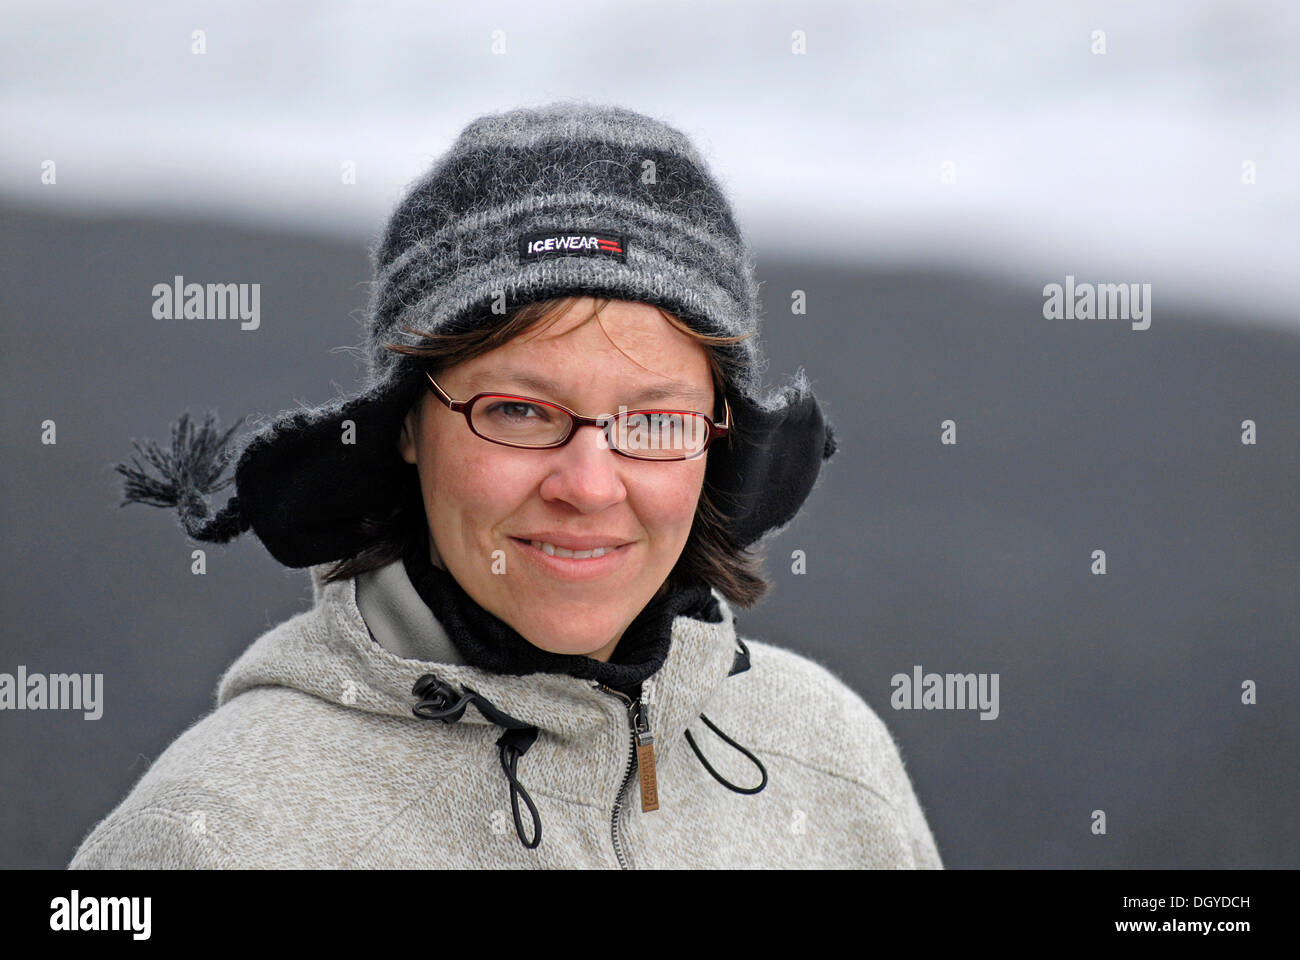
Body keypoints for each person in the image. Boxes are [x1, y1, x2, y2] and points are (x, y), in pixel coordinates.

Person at [69, 101, 942, 869]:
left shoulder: (833, 765)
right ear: (407, 426)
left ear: (716, 439)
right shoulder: (213, 840)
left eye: (654, 420)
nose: (590, 485)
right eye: (521, 411)